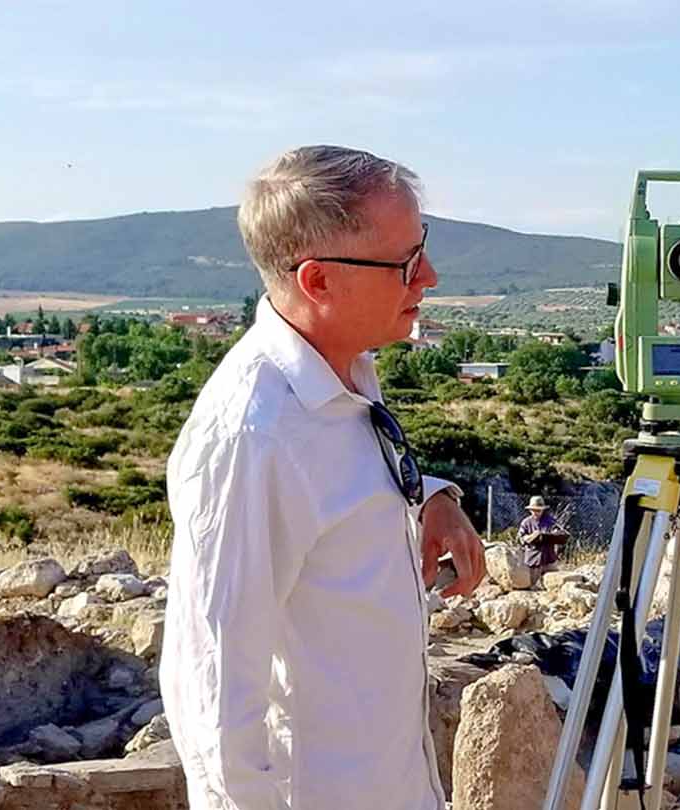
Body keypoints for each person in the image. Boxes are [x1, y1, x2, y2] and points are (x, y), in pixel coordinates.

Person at [161, 145, 486, 810]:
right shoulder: (254, 437)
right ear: (318, 282)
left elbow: (334, 494)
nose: (429, 275)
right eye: (403, 263)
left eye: (420, 246)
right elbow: (215, 688)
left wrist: (430, 498)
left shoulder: (340, 374)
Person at [518, 495, 566, 581]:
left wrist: (552, 534)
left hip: (549, 559)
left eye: (538, 510)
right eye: (534, 510)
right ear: (530, 510)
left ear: (543, 510)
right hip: (533, 560)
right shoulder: (526, 522)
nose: (536, 512)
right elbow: (520, 538)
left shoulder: (550, 521)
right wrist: (532, 536)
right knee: (533, 587)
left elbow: (560, 532)